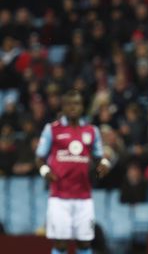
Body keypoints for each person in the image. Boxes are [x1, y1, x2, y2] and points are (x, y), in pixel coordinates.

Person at [35, 90, 111, 254]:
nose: (73, 107)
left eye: (76, 103)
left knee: (84, 243)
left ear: (82, 106)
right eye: (69, 104)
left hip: (84, 197)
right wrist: (44, 170)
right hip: (59, 197)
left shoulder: (92, 131)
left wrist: (105, 164)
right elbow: (40, 157)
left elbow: (99, 157)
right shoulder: (52, 130)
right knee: (60, 244)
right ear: (63, 107)